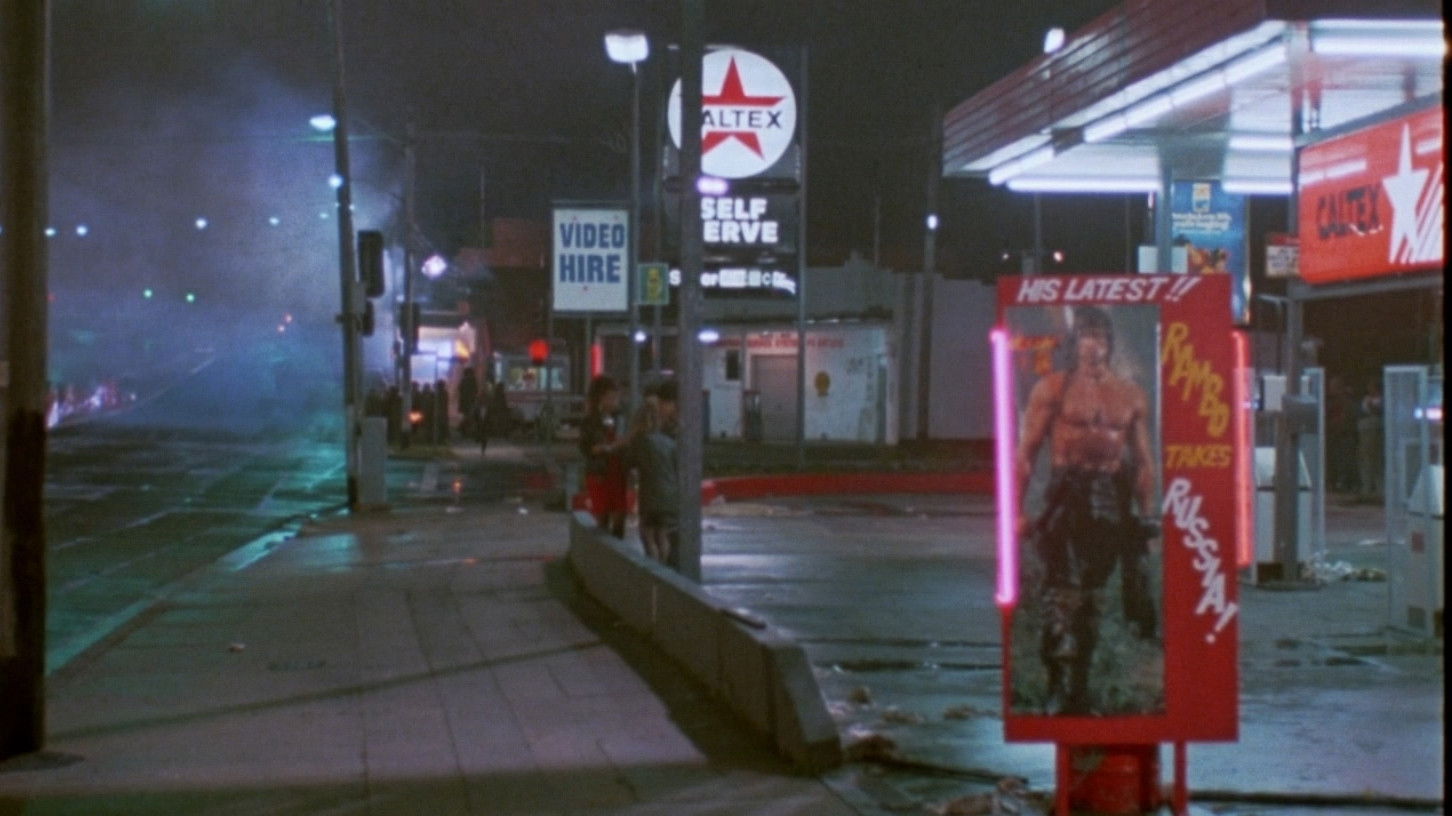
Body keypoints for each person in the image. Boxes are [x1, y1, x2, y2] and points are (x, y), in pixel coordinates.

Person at [1015, 306, 1160, 715]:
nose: (1093, 345)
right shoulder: (1053, 389)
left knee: (1093, 599)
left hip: (1110, 498)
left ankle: (1078, 690)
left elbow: (1144, 462)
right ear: (1075, 343)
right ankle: (1057, 688)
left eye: (1100, 337)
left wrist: (1146, 517)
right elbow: (1025, 453)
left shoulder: (1130, 394)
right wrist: (1016, 510)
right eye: (1086, 336)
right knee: (1062, 595)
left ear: (1109, 344)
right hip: (1068, 495)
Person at [630, 382, 679, 566]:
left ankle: (653, 566)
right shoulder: (670, 441)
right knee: (663, 534)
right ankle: (664, 566)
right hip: (669, 495)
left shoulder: (641, 441)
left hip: (650, 496)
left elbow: (631, 463)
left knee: (647, 533)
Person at [579, 376, 628, 538]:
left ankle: (618, 543)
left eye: (616, 397)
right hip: (600, 471)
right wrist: (602, 448)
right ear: (600, 398)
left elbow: (626, 439)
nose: (615, 401)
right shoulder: (591, 421)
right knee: (603, 514)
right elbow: (586, 448)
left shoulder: (620, 417)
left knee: (620, 513)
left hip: (618, 470)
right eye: (611, 397)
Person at [1357, 378, 1384, 499]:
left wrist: (1371, 406)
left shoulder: (1382, 400)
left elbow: (1378, 411)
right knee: (1365, 460)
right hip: (1364, 431)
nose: (1369, 389)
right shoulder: (1365, 399)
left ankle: (1380, 490)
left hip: (1375, 431)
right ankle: (1366, 488)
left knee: (1376, 461)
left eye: (1371, 386)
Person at [457, 367, 479, 440]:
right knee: (469, 417)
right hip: (468, 402)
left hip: (466, 402)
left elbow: (460, 389)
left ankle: (465, 430)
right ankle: (465, 430)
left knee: (468, 417)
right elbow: (475, 391)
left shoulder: (464, 381)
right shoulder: (471, 381)